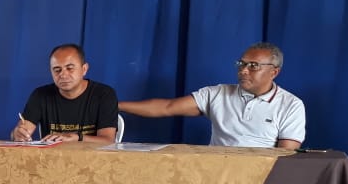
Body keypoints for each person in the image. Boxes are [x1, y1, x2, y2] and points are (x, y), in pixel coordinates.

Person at [119, 42, 305, 149]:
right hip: (215, 173)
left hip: (260, 178)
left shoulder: (291, 105)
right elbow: (166, 107)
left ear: (274, 72)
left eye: (253, 65)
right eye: (241, 64)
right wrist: (116, 105)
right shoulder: (217, 94)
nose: (244, 71)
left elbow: (285, 157)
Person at [10, 44, 119, 144]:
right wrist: (18, 134)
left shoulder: (104, 94)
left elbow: (108, 140)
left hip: (94, 161)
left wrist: (76, 137)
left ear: (84, 69)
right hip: (52, 160)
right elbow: (22, 131)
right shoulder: (41, 95)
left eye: (70, 68)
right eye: (57, 70)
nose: (63, 75)